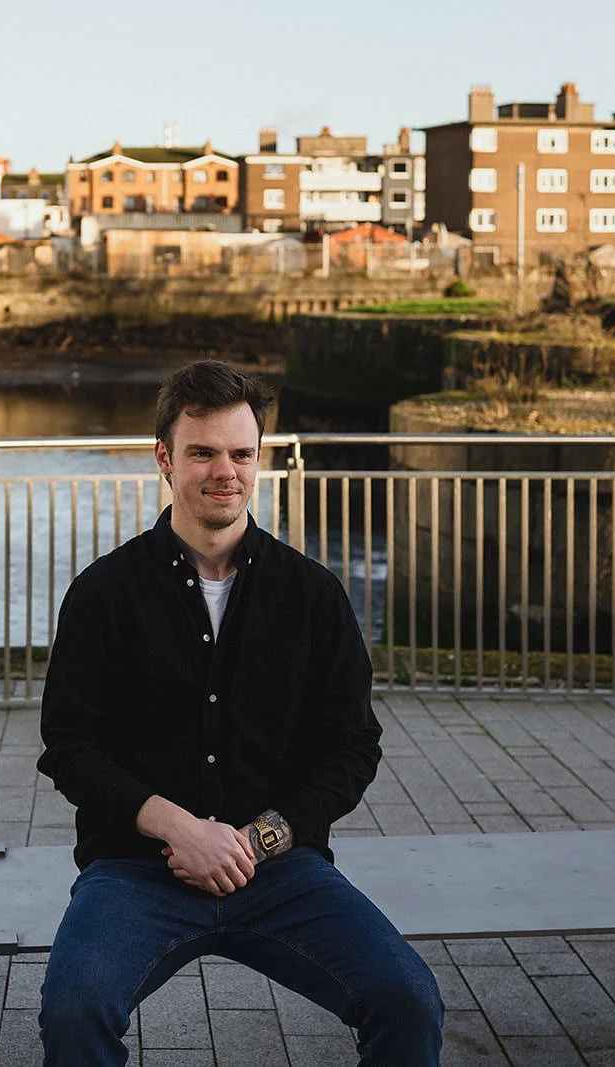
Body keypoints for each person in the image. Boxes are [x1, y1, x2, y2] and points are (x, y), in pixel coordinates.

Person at [36, 361, 443, 1064]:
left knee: (409, 999)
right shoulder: (104, 593)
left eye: (240, 453)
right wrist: (179, 828)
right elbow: (71, 745)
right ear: (165, 459)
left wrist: (256, 841)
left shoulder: (313, 596)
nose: (224, 470)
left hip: (281, 872)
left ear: (261, 458)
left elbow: (351, 747)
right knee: (73, 1011)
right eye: (202, 452)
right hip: (135, 871)